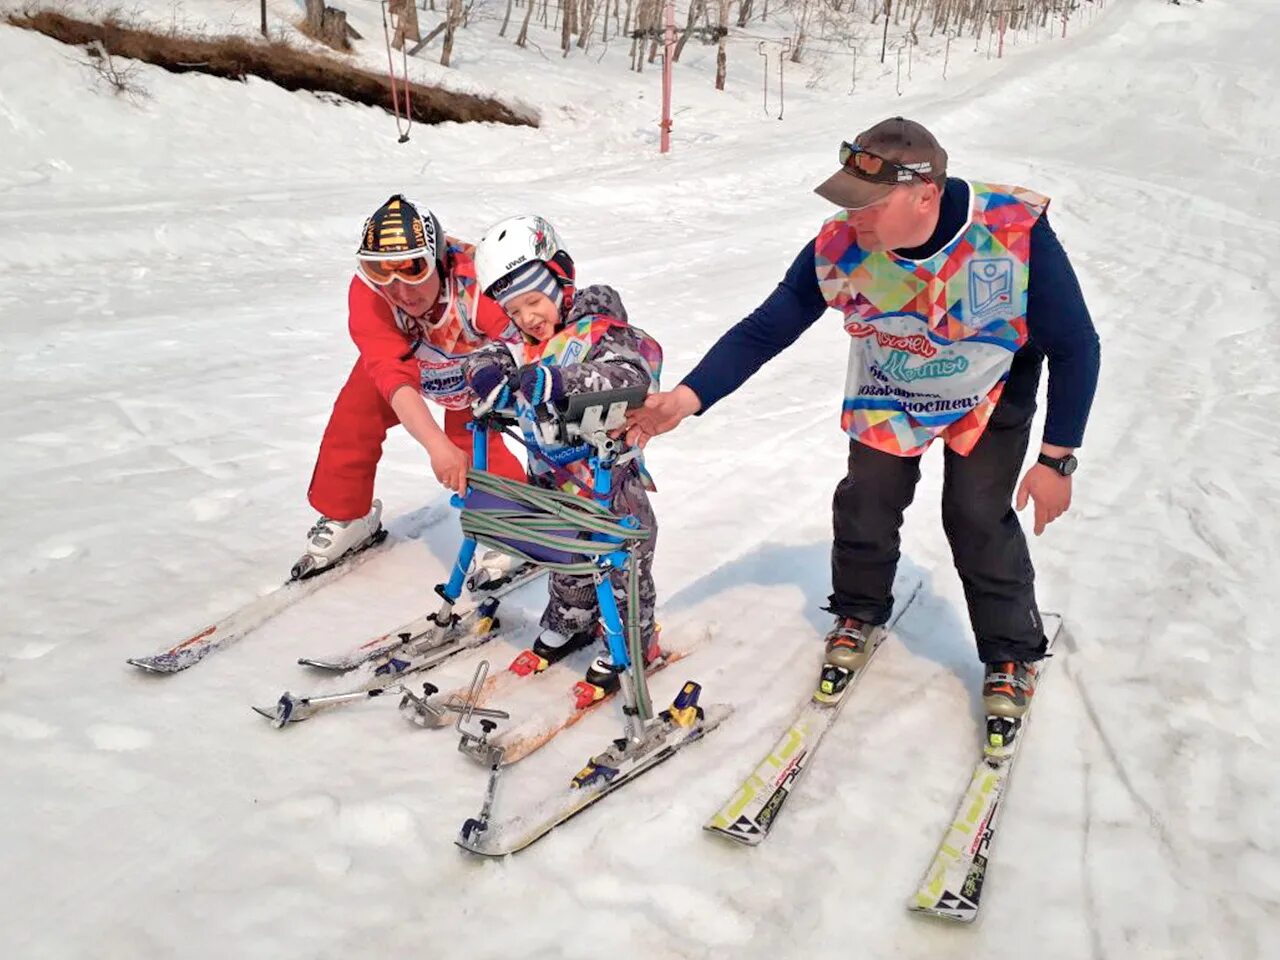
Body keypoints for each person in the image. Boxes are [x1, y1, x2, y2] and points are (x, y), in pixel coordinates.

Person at [626, 117, 1100, 720]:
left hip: (989, 384)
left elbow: (1076, 345)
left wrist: (1057, 458)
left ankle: (1010, 652)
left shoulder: (1011, 233)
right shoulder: (844, 246)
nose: (855, 217)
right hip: (893, 381)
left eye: (869, 205)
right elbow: (766, 327)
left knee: (976, 513)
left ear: (924, 195)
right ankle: (858, 611)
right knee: (866, 500)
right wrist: (686, 398)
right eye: (849, 202)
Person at [465, 215, 665, 700]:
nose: (528, 316)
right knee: (566, 556)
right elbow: (488, 355)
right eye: (515, 309)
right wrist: (487, 375)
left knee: (623, 562)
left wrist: (560, 383)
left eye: (534, 301)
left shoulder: (604, 332)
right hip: (553, 478)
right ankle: (570, 621)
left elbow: (628, 375)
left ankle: (637, 640)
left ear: (561, 280)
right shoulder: (522, 343)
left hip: (608, 478)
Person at [300, 195, 526, 574]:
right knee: (354, 416)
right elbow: (389, 373)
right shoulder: (371, 296)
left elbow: (531, 343)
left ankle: (514, 522)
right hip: (412, 363)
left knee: (472, 438)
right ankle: (348, 513)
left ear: (438, 258)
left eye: (414, 271)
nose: (401, 291)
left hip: (475, 364)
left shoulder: (480, 284)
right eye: (379, 271)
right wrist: (433, 445)